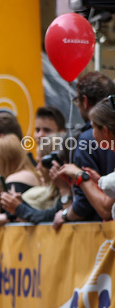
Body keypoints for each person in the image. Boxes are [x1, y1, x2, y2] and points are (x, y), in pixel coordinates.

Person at [55, 72, 115, 228]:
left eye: (93, 127)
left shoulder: (84, 141)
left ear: (105, 131)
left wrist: (80, 176)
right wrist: (99, 181)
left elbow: (105, 209)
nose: (90, 133)